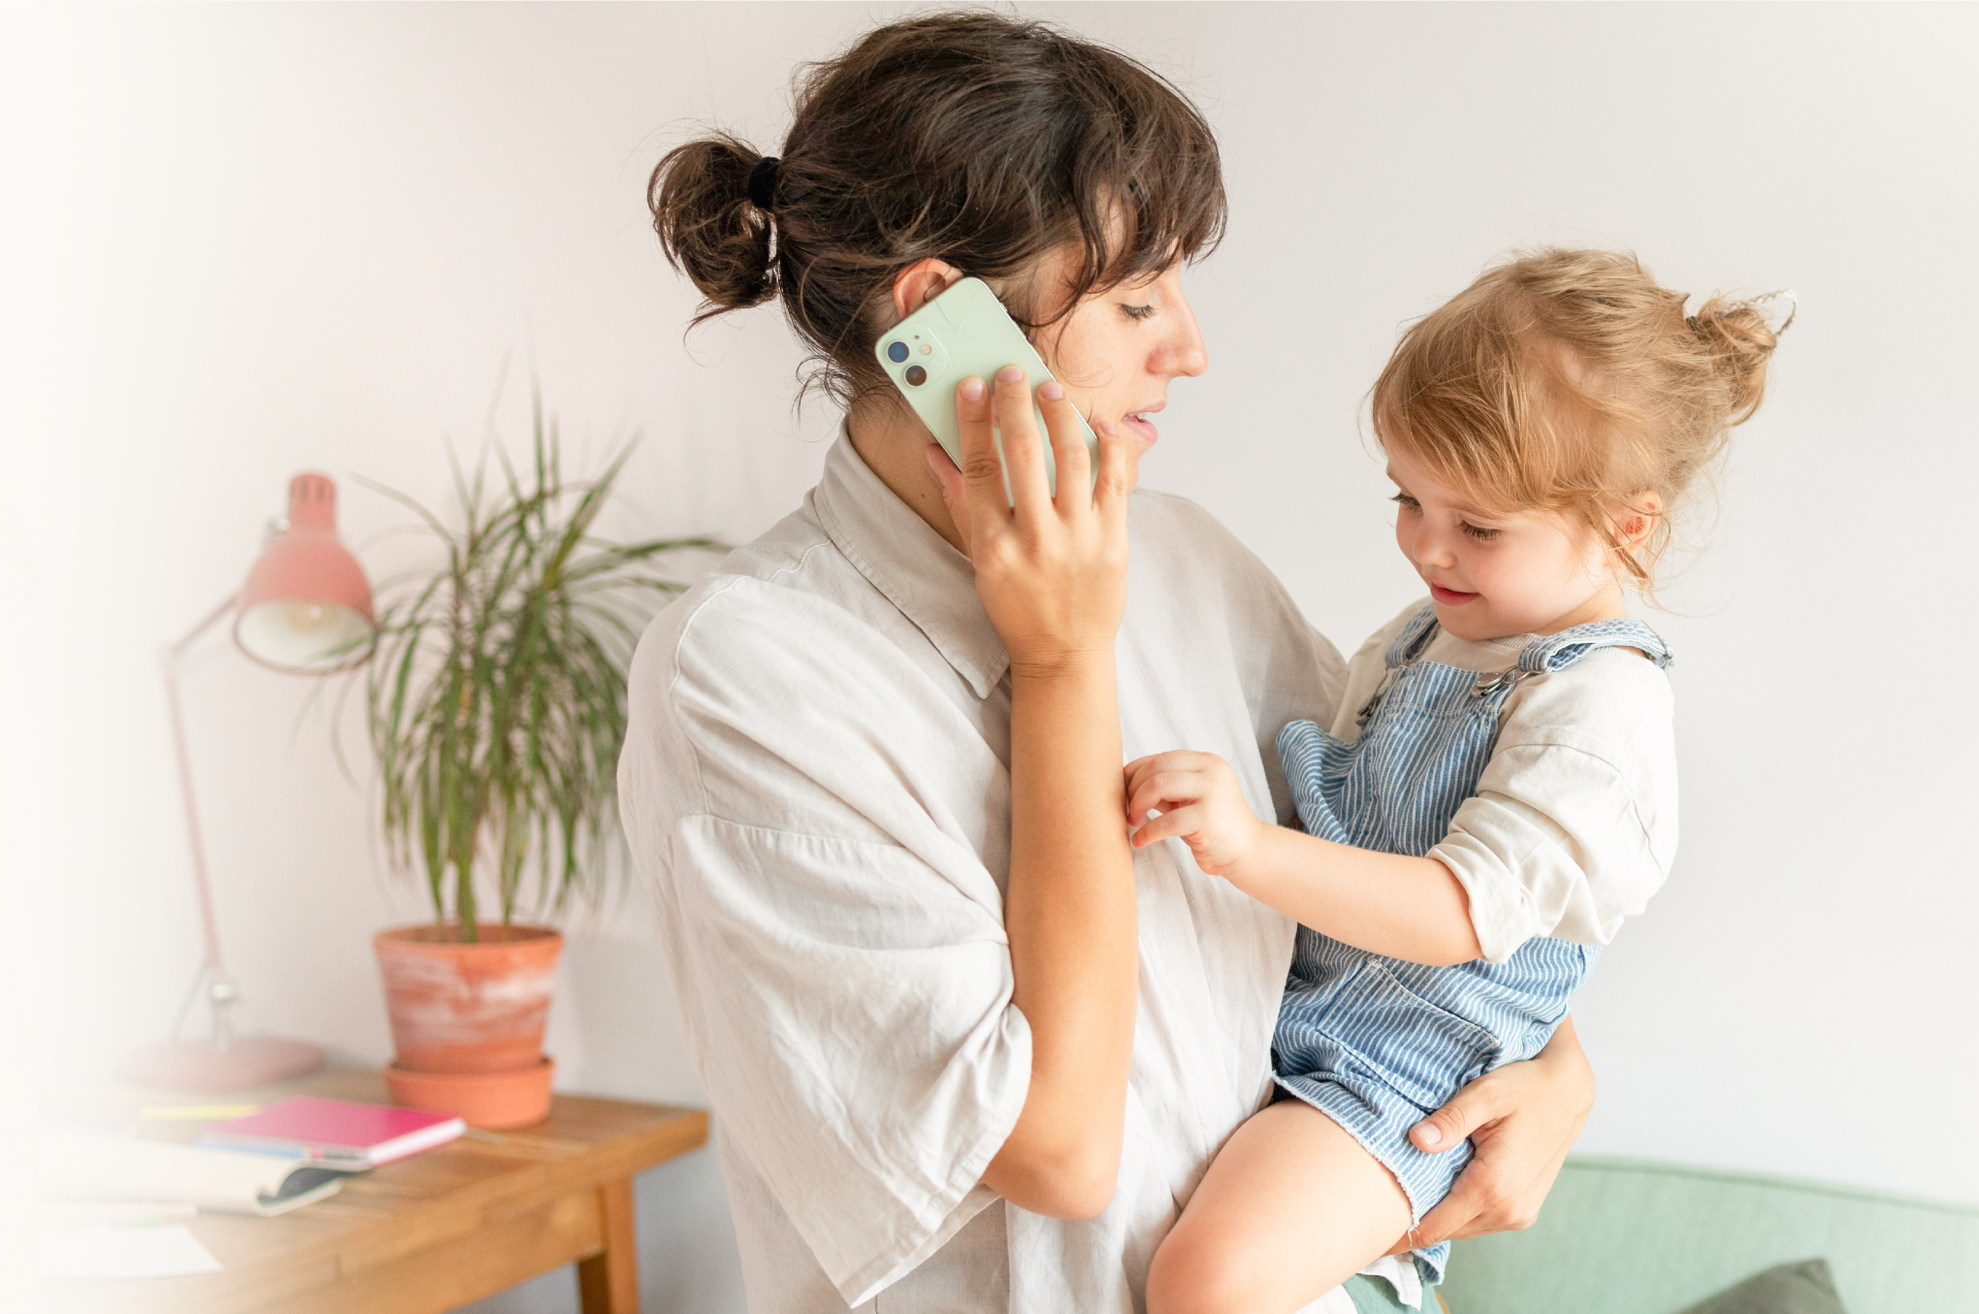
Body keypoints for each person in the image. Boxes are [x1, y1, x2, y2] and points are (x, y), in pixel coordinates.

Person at [620, 15, 1593, 1313]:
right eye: (1136, 301)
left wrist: (1561, 1064)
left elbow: (1402, 869)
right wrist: (1064, 660)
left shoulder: (1188, 560)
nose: (1188, 348)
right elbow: (1057, 1150)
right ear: (941, 320)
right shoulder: (745, 676)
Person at [1127, 250, 1784, 1313]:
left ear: (1627, 528)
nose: (1428, 548)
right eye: (1408, 498)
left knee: (1211, 1280)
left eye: (1478, 526)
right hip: (1296, 1012)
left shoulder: (1601, 707)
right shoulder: (1431, 632)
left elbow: (1457, 914)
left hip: (1399, 1079)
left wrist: (1245, 848)